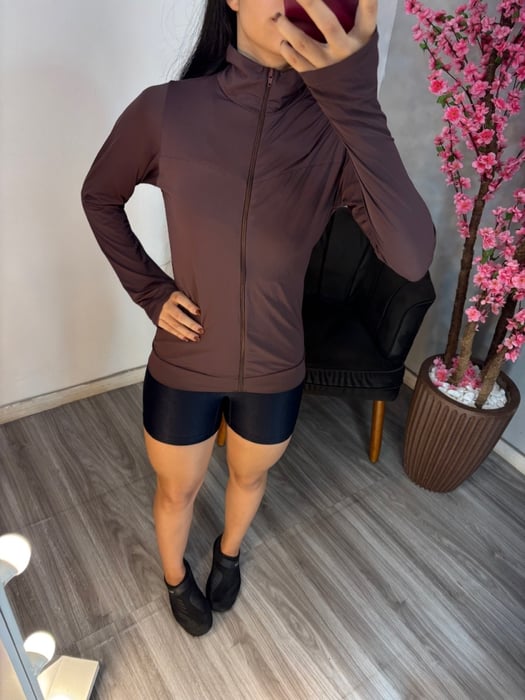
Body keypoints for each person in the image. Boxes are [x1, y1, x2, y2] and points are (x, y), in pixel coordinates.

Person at [81, 0, 435, 637]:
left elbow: (411, 256)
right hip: (187, 357)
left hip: (276, 362)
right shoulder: (168, 111)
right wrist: (151, 292)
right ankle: (175, 579)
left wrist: (356, 104)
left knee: (248, 478)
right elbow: (99, 195)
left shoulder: (335, 133)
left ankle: (229, 554)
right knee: (177, 490)